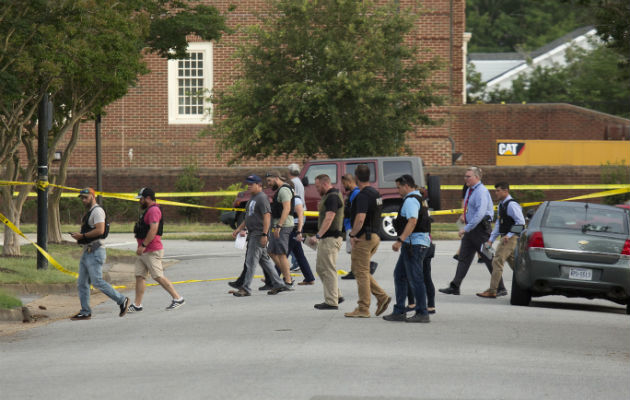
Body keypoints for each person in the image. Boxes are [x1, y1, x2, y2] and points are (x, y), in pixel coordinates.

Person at [439, 167, 506, 295]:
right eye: (465, 176)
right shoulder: (471, 190)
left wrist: (466, 228)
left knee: (488, 257)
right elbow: (472, 209)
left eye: (468, 176)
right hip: (472, 230)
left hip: (481, 230)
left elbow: (481, 213)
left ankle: (500, 287)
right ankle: (455, 286)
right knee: (464, 257)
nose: (465, 179)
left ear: (477, 177)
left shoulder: (481, 191)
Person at [70, 188, 129, 320]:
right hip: (87, 251)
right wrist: (81, 238)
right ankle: (85, 311)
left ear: (93, 196)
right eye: (82, 198)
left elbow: (100, 230)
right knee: (82, 283)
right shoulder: (89, 212)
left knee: (97, 281)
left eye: (86, 197)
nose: (84, 200)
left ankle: (122, 300)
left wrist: (82, 235)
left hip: (95, 251)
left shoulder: (97, 211)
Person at [230, 175, 291, 296]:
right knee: (265, 262)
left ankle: (245, 288)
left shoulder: (262, 198)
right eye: (248, 183)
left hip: (258, 234)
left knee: (251, 261)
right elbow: (249, 217)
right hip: (253, 232)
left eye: (251, 184)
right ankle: (279, 284)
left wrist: (264, 234)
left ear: (259, 185)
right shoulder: (252, 198)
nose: (248, 186)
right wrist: (239, 229)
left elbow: (267, 216)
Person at [127, 187, 185, 312]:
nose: (139, 201)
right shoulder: (148, 210)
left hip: (151, 250)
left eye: (141, 199)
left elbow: (153, 230)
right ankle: (137, 304)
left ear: (148, 198)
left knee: (158, 276)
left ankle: (177, 298)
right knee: (139, 276)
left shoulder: (154, 210)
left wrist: (143, 246)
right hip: (144, 251)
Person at [382, 175, 430, 323]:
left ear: (406, 185)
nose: (398, 191)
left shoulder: (410, 200)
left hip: (413, 244)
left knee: (415, 279)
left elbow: (413, 220)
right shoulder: (418, 198)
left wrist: (400, 240)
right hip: (414, 243)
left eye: (399, 187)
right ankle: (399, 310)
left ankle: (422, 312)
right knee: (400, 275)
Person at [345, 164, 391, 318]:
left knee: (361, 272)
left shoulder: (363, 195)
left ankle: (364, 308)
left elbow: (360, 218)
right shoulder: (375, 193)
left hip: (364, 237)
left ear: (356, 177)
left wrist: (352, 234)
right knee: (360, 269)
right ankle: (381, 297)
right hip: (375, 236)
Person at [477, 182, 525, 298]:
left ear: (505, 191)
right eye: (496, 190)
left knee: (497, 261)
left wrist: (509, 235)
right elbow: (499, 223)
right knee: (516, 264)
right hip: (505, 236)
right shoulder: (501, 205)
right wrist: (491, 239)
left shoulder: (511, 205)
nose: (496, 193)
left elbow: (521, 223)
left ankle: (493, 290)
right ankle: (529, 283)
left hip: (510, 238)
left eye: (498, 190)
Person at [307, 174, 345, 310]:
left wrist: (317, 236)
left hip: (331, 238)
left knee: (328, 269)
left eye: (317, 187)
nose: (316, 190)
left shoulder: (333, 197)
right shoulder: (329, 196)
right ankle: (337, 295)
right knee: (321, 268)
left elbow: (329, 218)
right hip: (326, 237)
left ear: (324, 184)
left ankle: (331, 301)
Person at [341, 173, 378, 280]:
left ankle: (364, 267)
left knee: (354, 250)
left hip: (352, 225)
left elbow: (355, 210)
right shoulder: (353, 193)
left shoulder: (356, 193)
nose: (344, 186)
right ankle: (355, 270)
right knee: (352, 250)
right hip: (348, 224)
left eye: (344, 183)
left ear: (349, 181)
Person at [265, 171, 295, 287]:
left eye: (270, 181)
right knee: (271, 251)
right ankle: (287, 275)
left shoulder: (284, 190)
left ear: (276, 178)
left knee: (281, 253)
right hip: (277, 225)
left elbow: (287, 209)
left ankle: (288, 281)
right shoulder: (280, 190)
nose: (268, 184)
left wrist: (279, 226)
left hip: (284, 226)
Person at [289, 194, 316, 285]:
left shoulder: (296, 200)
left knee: (283, 254)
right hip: (292, 228)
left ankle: (272, 278)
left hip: (294, 229)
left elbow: (300, 216)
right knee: (299, 255)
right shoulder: (288, 198)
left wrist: (299, 231)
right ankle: (309, 278)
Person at [288, 163, 305, 272]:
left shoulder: (293, 183)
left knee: (291, 242)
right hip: (301, 212)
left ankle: (296, 263)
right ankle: (298, 263)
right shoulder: (299, 181)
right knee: (296, 244)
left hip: (296, 215)